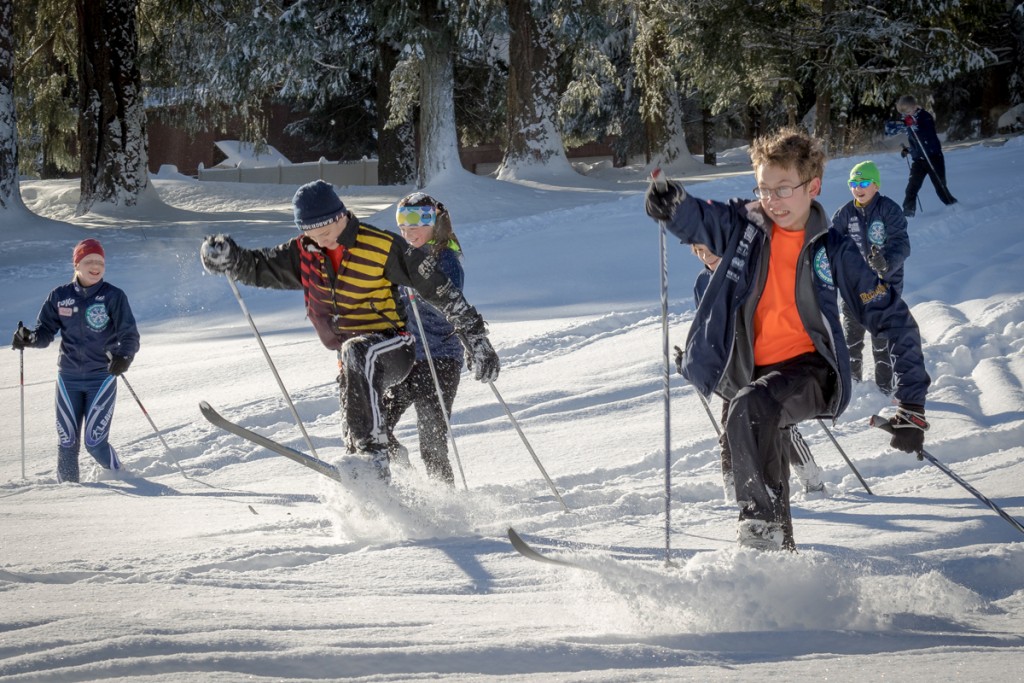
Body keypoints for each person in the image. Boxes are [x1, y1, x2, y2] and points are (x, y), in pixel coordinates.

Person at [645, 127, 931, 551]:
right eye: (763, 189)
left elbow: (893, 318)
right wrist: (674, 204)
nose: (772, 201)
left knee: (750, 407)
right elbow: (702, 220)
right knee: (759, 432)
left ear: (812, 186)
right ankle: (779, 570)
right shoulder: (746, 227)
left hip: (810, 371)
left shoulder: (832, 250)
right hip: (757, 375)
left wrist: (911, 403)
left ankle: (759, 529)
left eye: (783, 189)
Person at [199, 180, 499, 484]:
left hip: (405, 350)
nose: (323, 242)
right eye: (313, 235)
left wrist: (475, 338)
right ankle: (379, 489)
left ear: (341, 217)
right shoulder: (307, 252)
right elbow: (262, 266)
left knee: (423, 430)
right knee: (357, 422)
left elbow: (443, 291)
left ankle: (402, 472)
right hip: (359, 360)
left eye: (327, 233)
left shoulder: (383, 247)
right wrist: (233, 261)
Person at [686, 244, 826, 514]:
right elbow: (705, 325)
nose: (705, 257)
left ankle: (810, 477)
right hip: (730, 368)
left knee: (775, 424)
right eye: (698, 251)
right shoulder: (703, 282)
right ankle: (734, 491)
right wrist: (695, 356)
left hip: (761, 362)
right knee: (730, 428)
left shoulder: (746, 272)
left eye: (709, 249)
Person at [10, 238, 140, 483]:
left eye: (100, 262)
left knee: (94, 442)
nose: (95, 266)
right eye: (89, 261)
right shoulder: (60, 296)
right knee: (67, 441)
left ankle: (121, 476)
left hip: (101, 377)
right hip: (68, 378)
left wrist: (125, 356)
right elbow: (44, 333)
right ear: (77, 264)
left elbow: (129, 334)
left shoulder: (113, 296)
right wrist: (28, 338)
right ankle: (69, 492)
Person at [382, 193, 465, 485]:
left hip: (440, 359)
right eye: (403, 221)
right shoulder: (403, 257)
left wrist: (422, 288)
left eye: (418, 220)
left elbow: (450, 304)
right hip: (407, 358)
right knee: (376, 423)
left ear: (434, 221)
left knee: (431, 441)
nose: (409, 228)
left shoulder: (446, 260)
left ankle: (446, 504)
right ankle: (396, 464)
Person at [831, 161, 911, 396]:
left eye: (863, 183)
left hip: (884, 286)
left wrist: (885, 263)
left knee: (881, 339)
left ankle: (884, 388)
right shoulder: (845, 213)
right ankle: (852, 385)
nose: (858, 188)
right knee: (852, 337)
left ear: (876, 185)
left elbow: (902, 244)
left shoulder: (889, 209)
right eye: (853, 183)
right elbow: (832, 245)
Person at [894, 95, 957, 218]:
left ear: (914, 106)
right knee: (911, 188)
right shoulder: (909, 121)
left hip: (933, 158)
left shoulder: (925, 117)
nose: (906, 115)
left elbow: (927, 137)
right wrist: (909, 150)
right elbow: (916, 143)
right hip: (919, 161)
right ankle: (908, 215)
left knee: (940, 188)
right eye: (903, 113)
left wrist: (914, 125)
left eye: (907, 111)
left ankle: (955, 207)